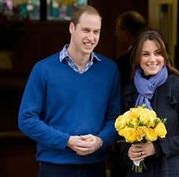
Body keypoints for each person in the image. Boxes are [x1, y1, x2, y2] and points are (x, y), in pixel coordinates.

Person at [18, 5, 120, 177]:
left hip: (95, 166)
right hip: (54, 166)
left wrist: (101, 140)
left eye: (96, 32)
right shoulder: (43, 69)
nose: (91, 37)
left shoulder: (109, 70)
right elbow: (26, 119)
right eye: (86, 30)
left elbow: (116, 117)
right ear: (72, 28)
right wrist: (67, 141)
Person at [118, 29, 179, 177]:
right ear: (138, 58)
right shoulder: (129, 90)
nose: (152, 59)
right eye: (146, 54)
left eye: (157, 53)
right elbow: (119, 138)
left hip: (170, 171)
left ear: (164, 56)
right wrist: (128, 151)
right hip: (137, 172)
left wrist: (157, 148)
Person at [115, 10, 147, 87]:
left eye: (117, 30)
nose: (115, 34)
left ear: (126, 34)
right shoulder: (158, 57)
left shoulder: (123, 63)